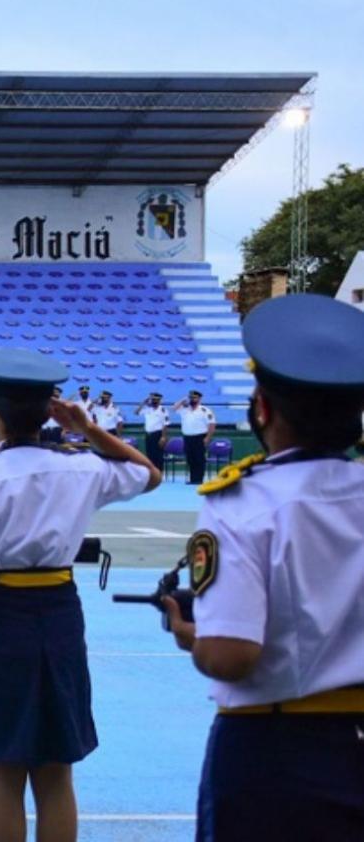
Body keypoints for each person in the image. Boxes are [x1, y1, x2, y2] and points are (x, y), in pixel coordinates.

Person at [0, 348, 161, 842]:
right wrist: (88, 429)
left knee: (2, 772)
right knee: (56, 772)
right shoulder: (82, 467)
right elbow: (150, 475)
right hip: (59, 612)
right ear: (51, 414)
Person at [158, 295, 364, 841]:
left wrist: (190, 634)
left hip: (277, 750)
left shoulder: (243, 504)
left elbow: (229, 657)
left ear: (264, 410)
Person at [174, 389, 216, 484]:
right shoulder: (184, 409)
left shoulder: (205, 410)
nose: (192, 399)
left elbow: (212, 424)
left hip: (200, 437)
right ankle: (193, 478)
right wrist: (183, 400)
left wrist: (208, 438)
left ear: (199, 399)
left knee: (199, 458)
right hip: (187, 437)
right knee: (190, 458)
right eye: (191, 397)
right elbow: (174, 408)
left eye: (195, 398)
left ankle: (199, 479)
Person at [135, 393, 169, 471]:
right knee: (149, 455)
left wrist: (163, 437)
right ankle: (152, 472)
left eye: (156, 400)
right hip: (148, 435)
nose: (154, 401)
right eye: (153, 399)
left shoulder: (163, 410)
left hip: (158, 435)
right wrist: (143, 403)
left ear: (159, 401)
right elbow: (136, 412)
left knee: (158, 456)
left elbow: (165, 424)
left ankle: (159, 472)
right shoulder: (147, 409)